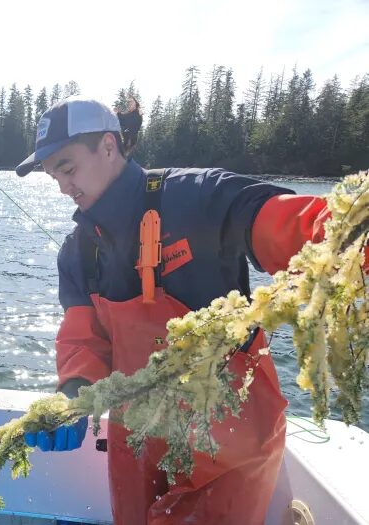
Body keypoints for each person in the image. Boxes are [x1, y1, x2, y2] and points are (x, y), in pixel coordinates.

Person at [17, 96, 354, 525]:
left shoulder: (197, 198)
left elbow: (289, 226)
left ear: (107, 146)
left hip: (231, 434)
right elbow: (83, 339)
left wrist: (351, 228)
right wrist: (74, 393)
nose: (63, 186)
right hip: (137, 434)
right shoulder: (78, 252)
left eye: (67, 168)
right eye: (53, 177)